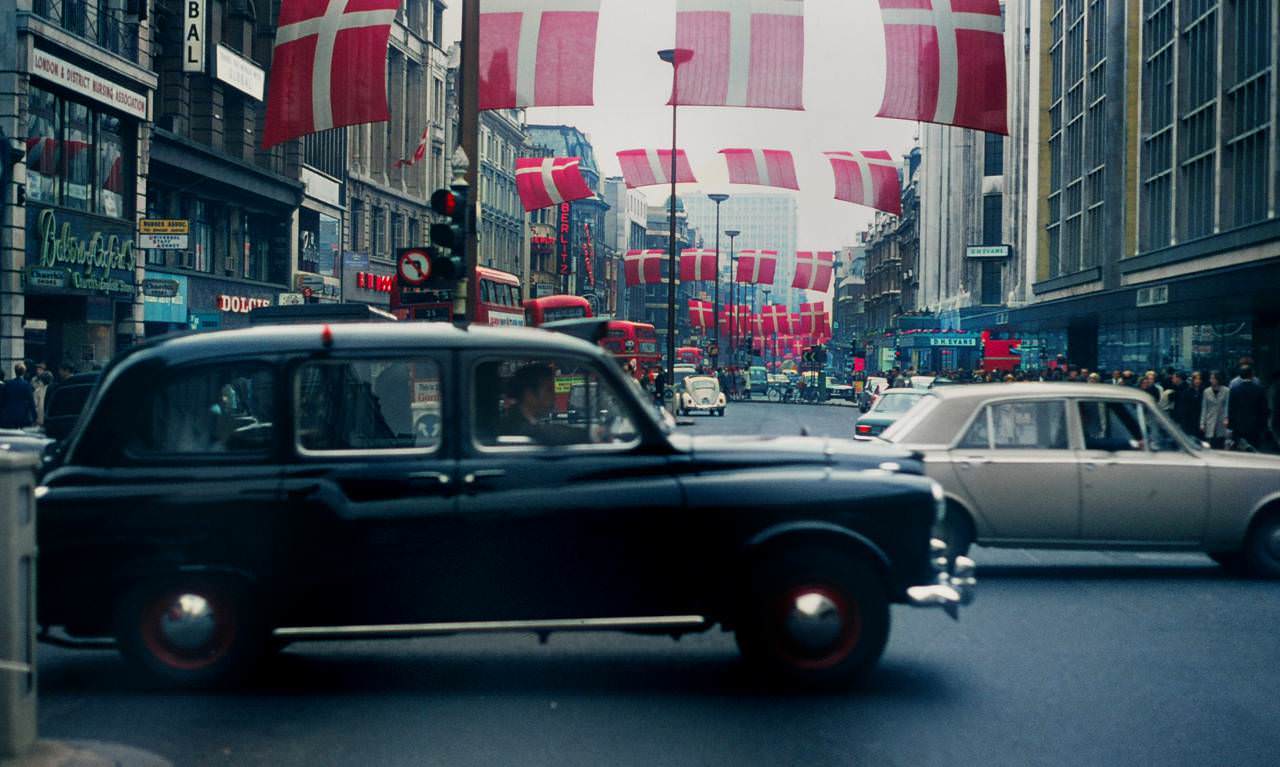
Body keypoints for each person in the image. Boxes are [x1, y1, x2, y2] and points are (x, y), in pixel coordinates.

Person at [498, 364, 590, 447]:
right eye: (549, 390)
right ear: (529, 395)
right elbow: (545, 433)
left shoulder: (517, 417)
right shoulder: (517, 425)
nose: (554, 396)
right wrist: (591, 433)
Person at [1227, 365, 1267, 451]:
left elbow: (1231, 409)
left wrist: (1231, 425)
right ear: (1252, 375)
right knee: (1254, 448)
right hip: (1255, 425)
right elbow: (1263, 409)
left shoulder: (1234, 389)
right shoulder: (1259, 389)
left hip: (1238, 425)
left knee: (1240, 449)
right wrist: (1263, 425)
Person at [0, 363, 38, 428]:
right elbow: (31, 401)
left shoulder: (8, 384)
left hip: (9, 414)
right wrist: (35, 416)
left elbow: (3, 400)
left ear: (15, 371)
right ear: (24, 372)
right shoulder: (27, 385)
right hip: (22, 415)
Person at [1201, 371, 1230, 449]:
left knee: (1220, 443)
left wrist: (1226, 418)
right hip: (1210, 420)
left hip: (1221, 420)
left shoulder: (1226, 391)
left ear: (1218, 379)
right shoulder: (1206, 391)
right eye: (1211, 378)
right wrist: (1202, 423)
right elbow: (1204, 408)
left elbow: (1227, 405)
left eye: (1213, 378)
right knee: (1209, 443)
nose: (1211, 380)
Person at [1170, 371, 1201, 437]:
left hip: (1191, 419)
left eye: (1199, 379)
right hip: (1187, 419)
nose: (1197, 381)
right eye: (1196, 379)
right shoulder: (1186, 390)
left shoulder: (1186, 390)